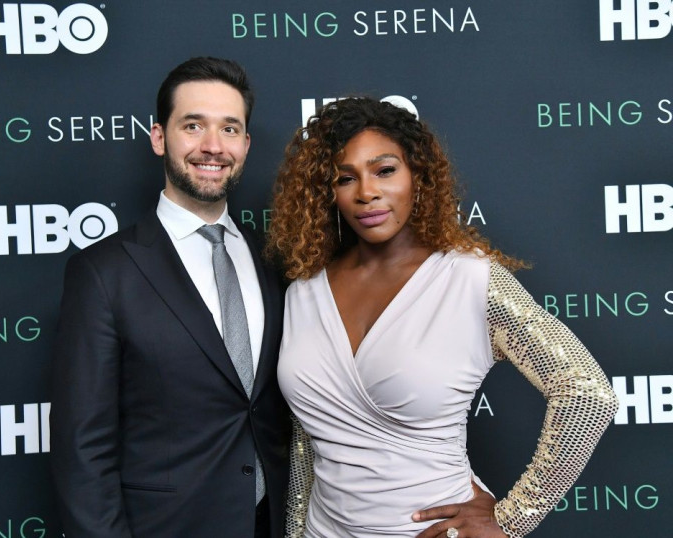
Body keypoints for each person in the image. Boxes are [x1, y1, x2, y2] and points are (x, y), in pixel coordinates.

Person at [265, 97, 619, 538]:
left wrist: (512, 520)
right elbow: (308, 436)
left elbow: (587, 393)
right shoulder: (303, 290)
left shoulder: (470, 279)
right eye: (344, 177)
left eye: (385, 170)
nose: (366, 192)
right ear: (327, 192)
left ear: (419, 176)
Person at [50, 57, 289, 538]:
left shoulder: (275, 263)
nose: (212, 146)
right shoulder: (104, 272)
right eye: (193, 125)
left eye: (229, 128)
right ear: (159, 137)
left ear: (245, 144)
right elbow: (83, 449)